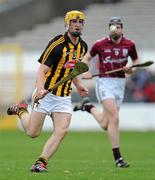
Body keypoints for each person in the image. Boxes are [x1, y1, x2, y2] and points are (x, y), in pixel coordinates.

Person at [7, 10, 88, 173]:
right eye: (74, 22)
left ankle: (40, 162)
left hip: (64, 96)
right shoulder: (57, 45)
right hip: (46, 94)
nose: (77, 25)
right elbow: (40, 71)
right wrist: (42, 89)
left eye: (80, 22)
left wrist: (78, 85)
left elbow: (73, 70)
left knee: (62, 130)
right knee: (32, 133)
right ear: (67, 24)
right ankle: (22, 110)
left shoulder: (82, 47)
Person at [74, 16, 140, 168]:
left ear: (122, 28)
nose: (115, 28)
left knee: (105, 123)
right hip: (105, 83)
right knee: (115, 119)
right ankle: (118, 158)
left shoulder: (130, 44)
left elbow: (136, 61)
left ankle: (87, 107)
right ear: (109, 28)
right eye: (112, 26)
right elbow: (87, 57)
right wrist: (85, 72)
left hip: (120, 84)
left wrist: (131, 69)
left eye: (117, 26)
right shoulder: (100, 44)